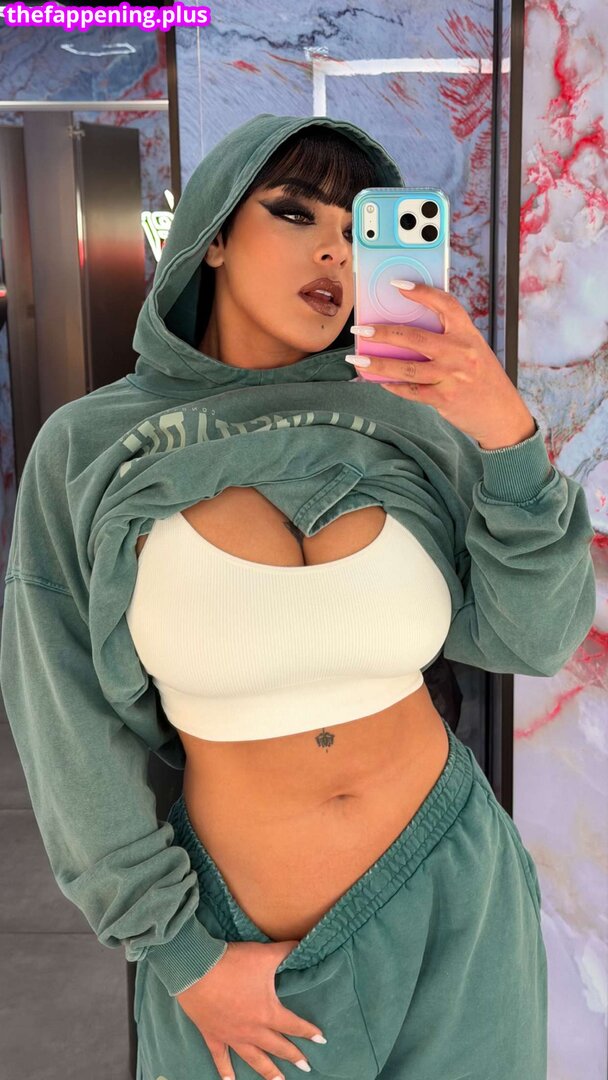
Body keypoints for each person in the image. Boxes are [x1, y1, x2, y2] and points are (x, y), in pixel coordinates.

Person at [1, 113, 596, 1080]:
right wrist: (182, 956)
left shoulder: (411, 421)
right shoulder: (89, 445)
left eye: (360, 230)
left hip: (459, 897)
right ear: (213, 236)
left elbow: (534, 636)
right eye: (294, 211)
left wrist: (505, 435)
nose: (336, 252)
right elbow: (62, 714)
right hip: (243, 947)